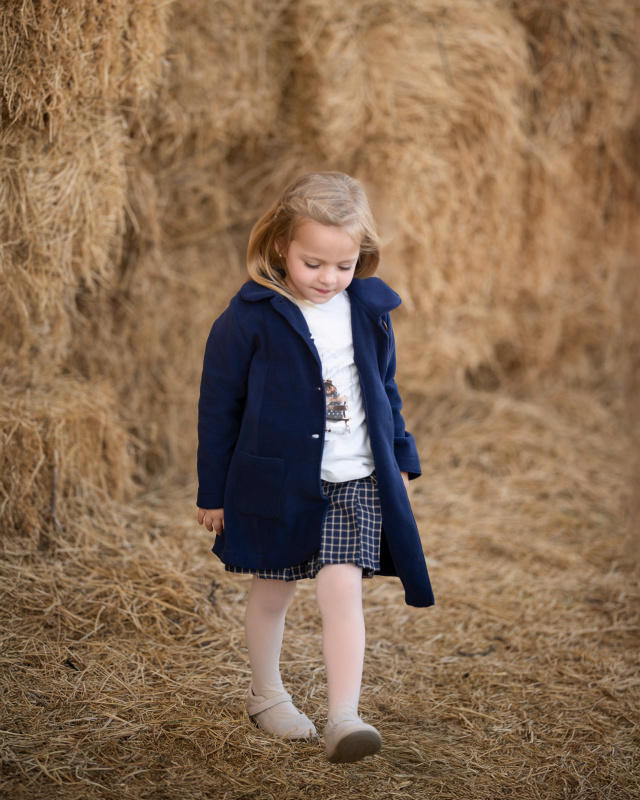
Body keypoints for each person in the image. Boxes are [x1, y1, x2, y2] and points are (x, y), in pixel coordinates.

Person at [196, 171, 434, 764]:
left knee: (342, 589)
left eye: (344, 265)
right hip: (277, 477)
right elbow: (218, 407)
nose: (329, 279)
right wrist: (213, 492)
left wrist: (401, 456)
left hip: (354, 476)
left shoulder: (368, 311)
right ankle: (266, 694)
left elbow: (384, 388)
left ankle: (343, 716)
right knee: (274, 586)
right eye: (314, 264)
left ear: (361, 257)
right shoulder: (250, 316)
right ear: (280, 245)